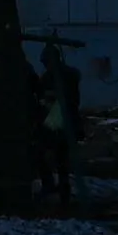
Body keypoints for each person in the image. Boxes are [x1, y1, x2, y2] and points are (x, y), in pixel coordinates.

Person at [34, 39, 81, 205]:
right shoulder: (63, 75)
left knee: (51, 154)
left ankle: (58, 188)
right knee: (57, 157)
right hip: (60, 121)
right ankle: (59, 187)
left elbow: (63, 99)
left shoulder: (55, 77)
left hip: (59, 121)